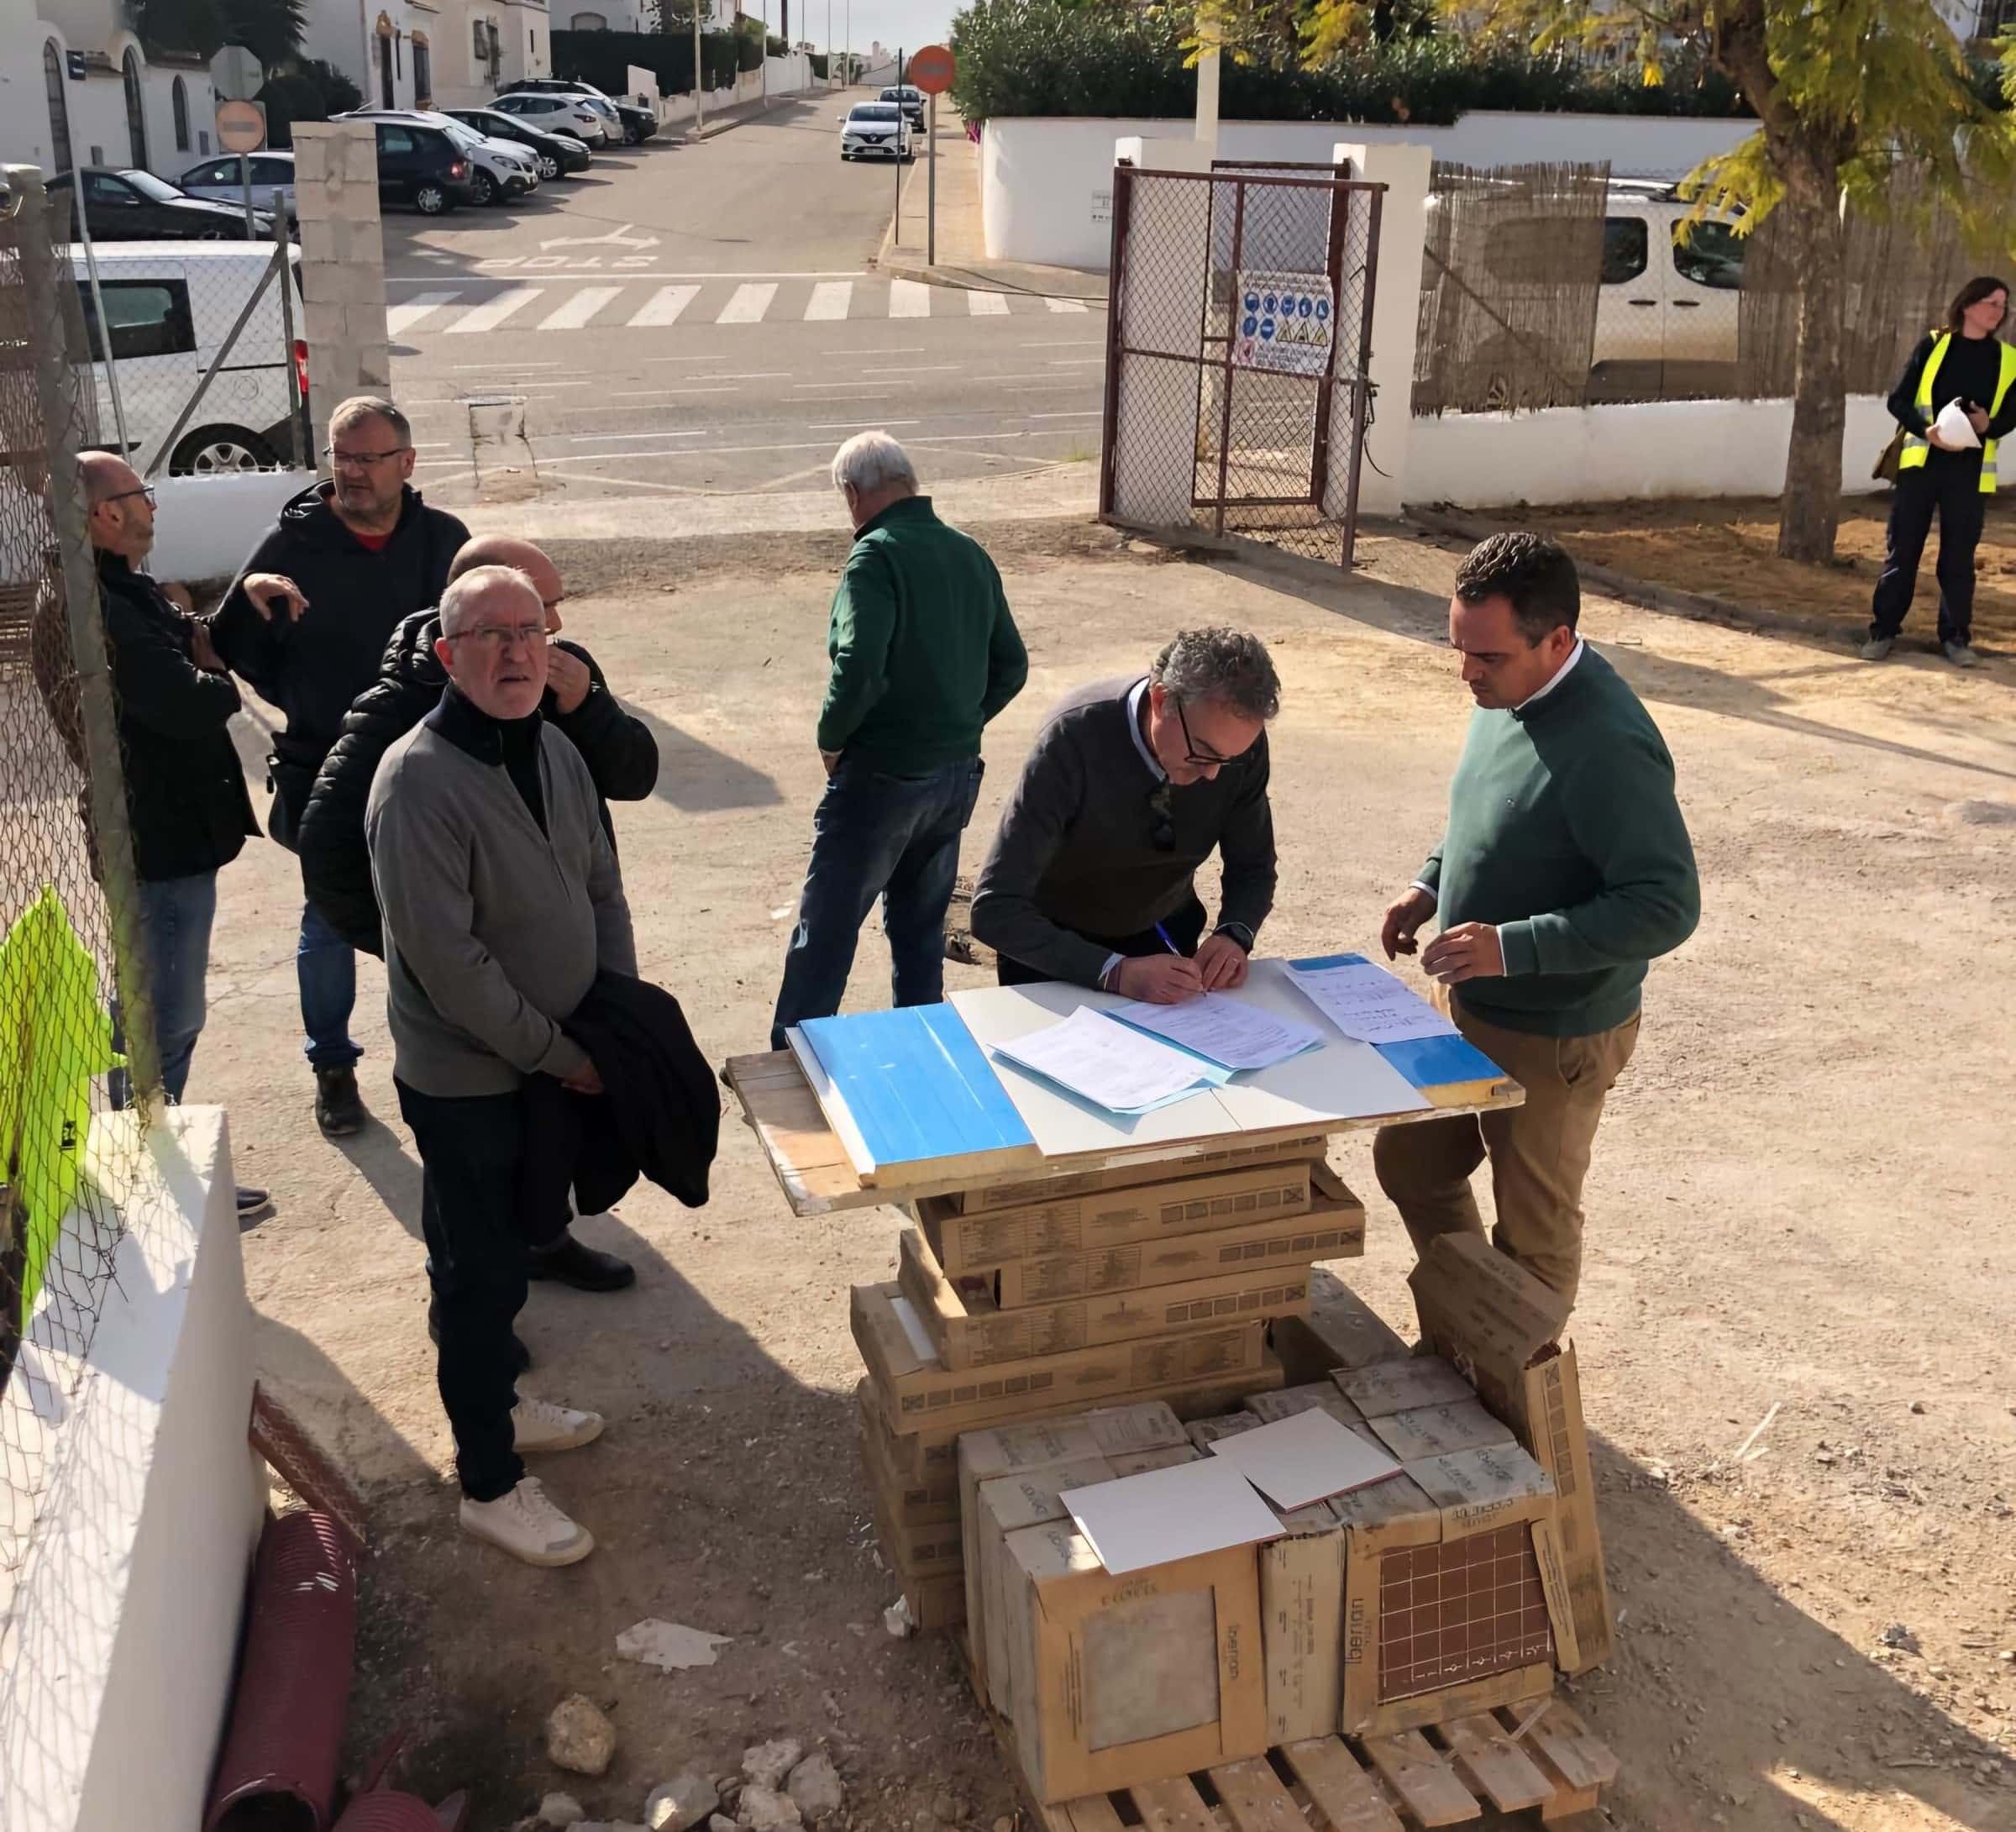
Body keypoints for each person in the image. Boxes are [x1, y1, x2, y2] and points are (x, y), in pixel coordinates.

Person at [300, 535, 659, 1299]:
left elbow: (632, 777)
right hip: (465, 1015)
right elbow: (326, 848)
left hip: (547, 990)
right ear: (456, 630)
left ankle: (545, 1238)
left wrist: (587, 705)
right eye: (513, 624)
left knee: (542, 1144)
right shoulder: (405, 712)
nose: (541, 636)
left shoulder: (553, 680)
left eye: (545, 619)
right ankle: (465, 1319)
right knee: (467, 1189)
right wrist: (415, 943)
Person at [365, 565, 629, 1567]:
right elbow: (451, 969)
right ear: (446, 656)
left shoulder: (555, 747)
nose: (518, 652)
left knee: (523, 1245)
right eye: (489, 636)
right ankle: (486, 1481)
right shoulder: (417, 781)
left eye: (531, 631)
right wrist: (566, 1057)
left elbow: (604, 888)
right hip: (471, 1078)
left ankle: (502, 1410)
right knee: (474, 1275)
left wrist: (616, 1019)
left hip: (557, 1061)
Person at [1373, 532, 1699, 1320]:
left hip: (1557, 1036)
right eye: (1459, 648)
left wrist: (1511, 947)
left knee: (1534, 1237)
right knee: (1412, 1163)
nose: (1466, 674)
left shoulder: (1611, 743)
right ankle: (1470, 1324)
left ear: (1557, 641)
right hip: (1476, 1005)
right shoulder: (1510, 692)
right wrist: (1432, 881)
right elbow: (1491, 808)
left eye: (1486, 658)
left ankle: (1516, 1394)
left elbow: (1666, 903)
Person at [210, 395, 470, 1136]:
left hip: (431, 769)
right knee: (328, 919)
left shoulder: (442, 540)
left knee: (442, 918)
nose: (350, 473)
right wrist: (301, 689)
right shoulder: (290, 546)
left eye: (367, 459)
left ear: (407, 464)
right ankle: (333, 1066)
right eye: (341, 457)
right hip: (325, 766)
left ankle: (454, 1058)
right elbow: (239, 648)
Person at [63, 454, 282, 1217]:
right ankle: (146, 1179)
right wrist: (218, 679)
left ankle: (147, 1163)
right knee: (163, 1014)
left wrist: (213, 621)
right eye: (137, 495)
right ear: (104, 515)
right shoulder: (101, 606)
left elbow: (178, 640)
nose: (150, 506)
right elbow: (183, 702)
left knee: (154, 1009)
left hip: (164, 832)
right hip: (155, 840)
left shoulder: (117, 590)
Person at [769, 432, 1027, 1049]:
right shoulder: (968, 552)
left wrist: (832, 738)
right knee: (919, 928)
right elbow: (1011, 665)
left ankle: (792, 1057)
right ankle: (925, 1050)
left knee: (827, 925)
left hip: (883, 773)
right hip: (955, 773)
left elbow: (859, 662)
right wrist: (961, 721)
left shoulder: (875, 557)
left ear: (853, 493)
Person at [970, 628, 1278, 1000]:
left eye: (1227, 761)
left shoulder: (1235, 749)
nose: (1213, 774)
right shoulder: (1073, 739)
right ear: (1162, 699)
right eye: (1204, 753)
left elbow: (1254, 866)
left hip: (1164, 939)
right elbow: (996, 908)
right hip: (1054, 954)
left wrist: (1235, 932)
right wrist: (1112, 972)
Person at [1865, 275, 2016, 670]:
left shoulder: (2009, 360)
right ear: (1968, 305)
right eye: (1992, 303)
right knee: (1904, 551)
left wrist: (1990, 425)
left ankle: (1955, 637)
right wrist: (1925, 430)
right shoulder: (1934, 346)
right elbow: (1897, 400)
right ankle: (1883, 631)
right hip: (1922, 466)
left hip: (1970, 473)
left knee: (1958, 559)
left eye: (2003, 305)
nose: (1999, 312)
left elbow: (2012, 414)